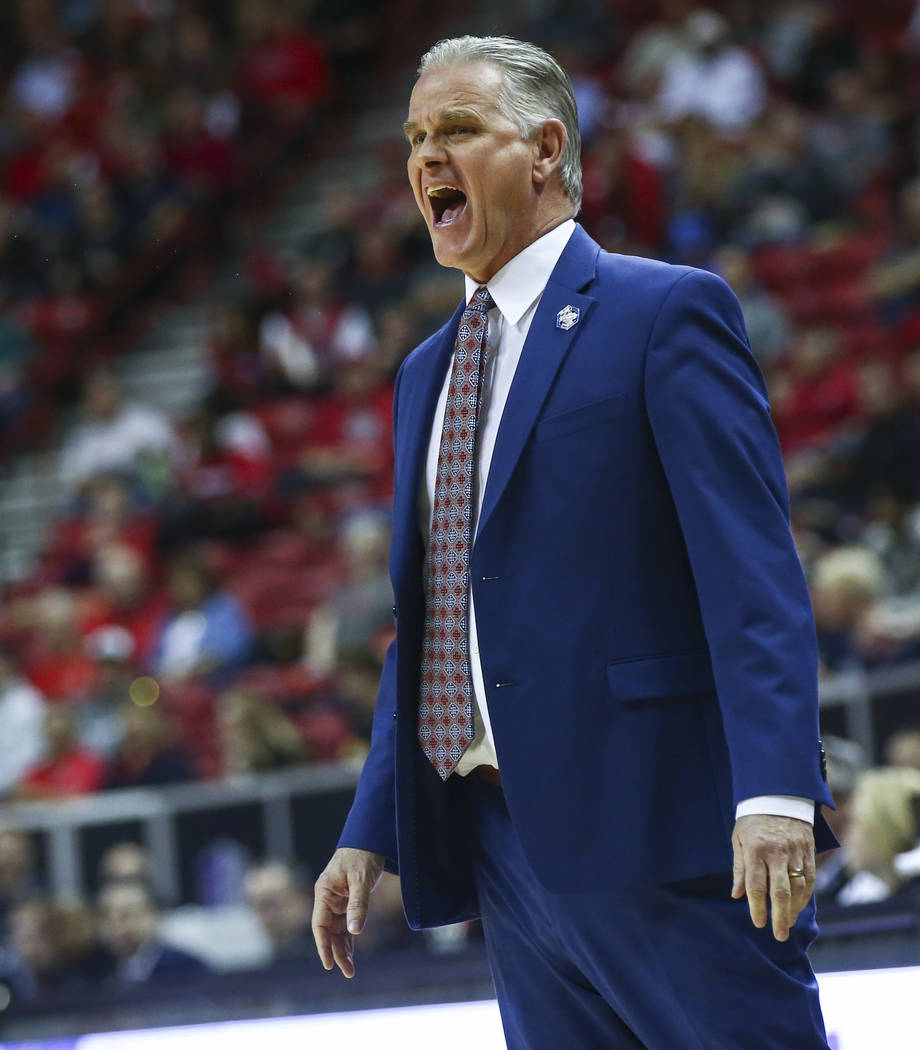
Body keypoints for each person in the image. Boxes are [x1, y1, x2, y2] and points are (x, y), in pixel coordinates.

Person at [312, 35, 836, 1050]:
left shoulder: (661, 311)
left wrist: (774, 792)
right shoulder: (424, 371)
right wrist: (370, 827)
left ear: (545, 147)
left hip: (666, 828)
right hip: (503, 848)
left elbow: (751, 574)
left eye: (456, 129)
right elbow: (432, 625)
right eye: (414, 136)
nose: (425, 158)